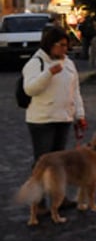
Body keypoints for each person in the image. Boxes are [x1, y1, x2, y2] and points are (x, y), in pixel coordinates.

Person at [22, 25, 87, 191]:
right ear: (50, 44)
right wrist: (48, 73)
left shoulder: (69, 63)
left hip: (63, 118)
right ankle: (39, 202)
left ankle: (58, 198)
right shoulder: (36, 63)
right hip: (43, 120)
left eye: (67, 45)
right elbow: (30, 89)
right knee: (43, 163)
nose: (65, 49)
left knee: (60, 164)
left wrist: (79, 114)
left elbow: (75, 90)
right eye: (61, 45)